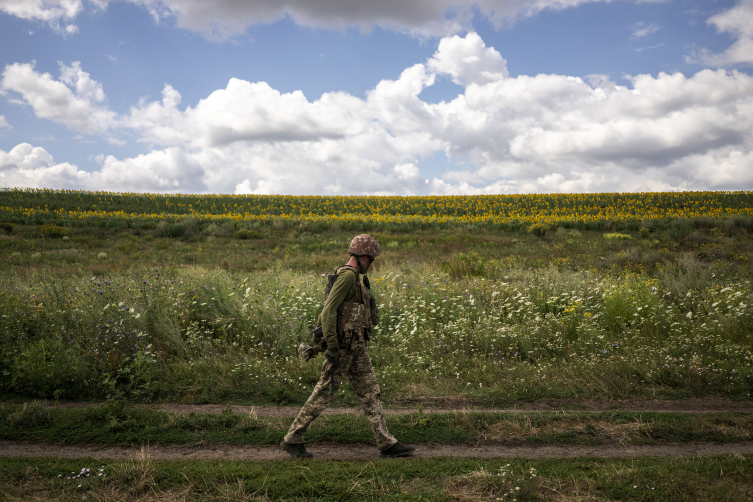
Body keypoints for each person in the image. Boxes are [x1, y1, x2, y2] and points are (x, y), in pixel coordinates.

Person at [281, 234, 415, 459]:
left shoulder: (354, 278)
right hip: (342, 348)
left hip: (356, 347)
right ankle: (292, 438)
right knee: (324, 393)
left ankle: (386, 443)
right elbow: (328, 311)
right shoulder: (348, 277)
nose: (371, 264)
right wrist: (332, 345)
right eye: (371, 260)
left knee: (371, 393)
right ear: (362, 257)